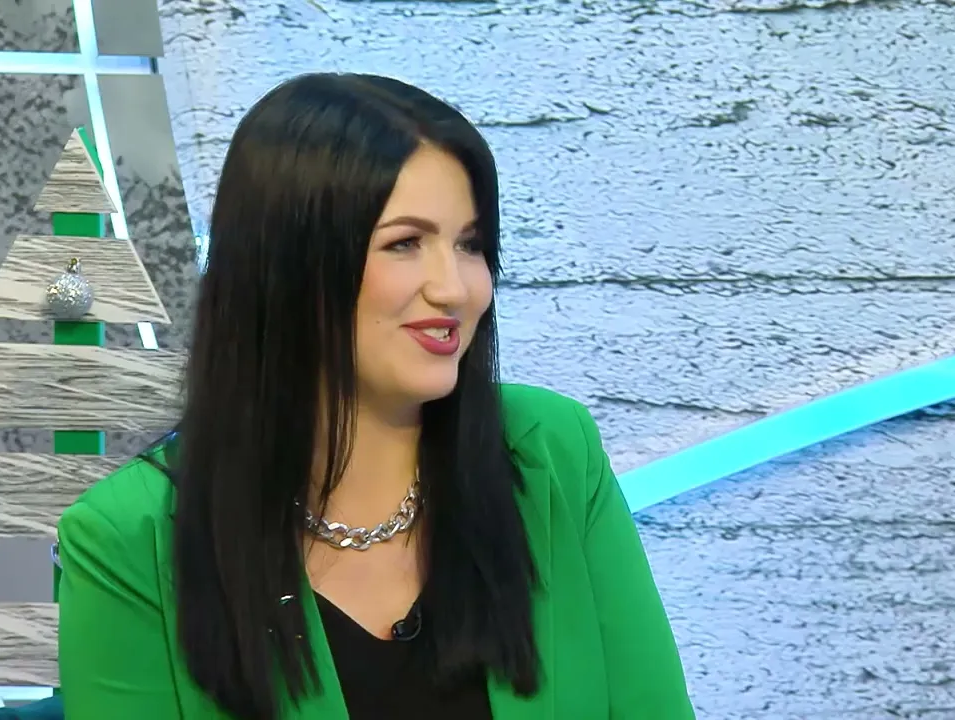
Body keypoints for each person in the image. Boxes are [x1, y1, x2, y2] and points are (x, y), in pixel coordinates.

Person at [54, 72, 694, 719]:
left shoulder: (552, 453)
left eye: (470, 244)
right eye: (405, 244)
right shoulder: (127, 539)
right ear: (287, 265)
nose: (454, 288)